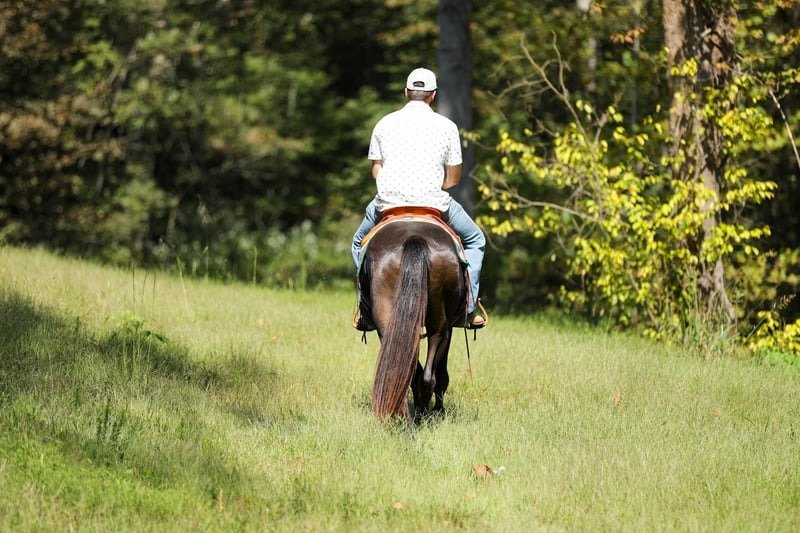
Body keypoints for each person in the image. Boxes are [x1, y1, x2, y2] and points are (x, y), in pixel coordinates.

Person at [352, 67, 486, 328]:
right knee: (476, 239)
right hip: (433, 203)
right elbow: (453, 179)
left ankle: (366, 310)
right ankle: (469, 309)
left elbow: (376, 170)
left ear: (406, 92)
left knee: (359, 243)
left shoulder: (384, 123)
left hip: (388, 204)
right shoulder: (447, 127)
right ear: (433, 96)